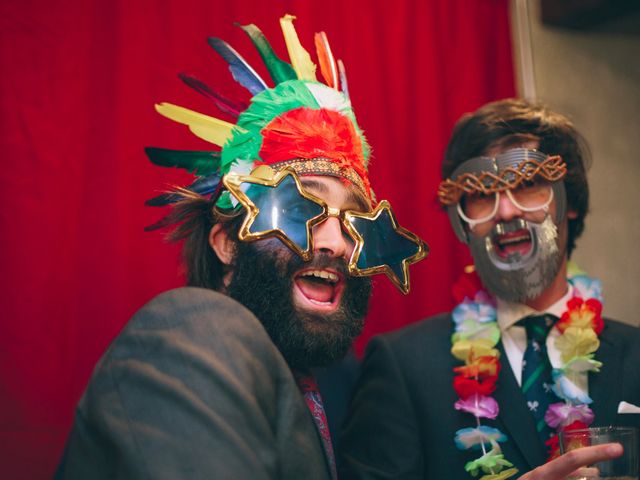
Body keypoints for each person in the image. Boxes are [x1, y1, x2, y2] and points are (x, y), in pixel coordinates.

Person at [54, 15, 428, 480]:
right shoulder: (194, 332)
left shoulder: (338, 383)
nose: (335, 242)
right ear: (226, 245)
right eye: (297, 208)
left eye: (354, 221)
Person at [339, 98, 640, 480]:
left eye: (529, 184)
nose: (506, 212)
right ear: (463, 223)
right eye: (482, 194)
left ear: (570, 203)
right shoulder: (404, 366)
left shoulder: (636, 359)